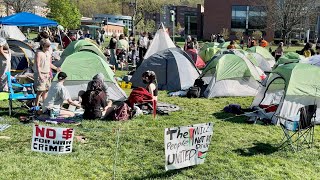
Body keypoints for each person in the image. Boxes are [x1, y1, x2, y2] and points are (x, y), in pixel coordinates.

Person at [34, 39, 61, 107]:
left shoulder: (48, 53)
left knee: (46, 91)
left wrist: (55, 68)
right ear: (42, 45)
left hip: (47, 74)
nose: (48, 47)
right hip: (41, 74)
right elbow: (37, 65)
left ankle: (44, 106)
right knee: (40, 91)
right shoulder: (39, 53)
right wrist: (40, 75)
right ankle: (36, 107)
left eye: (49, 46)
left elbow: (49, 63)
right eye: (47, 46)